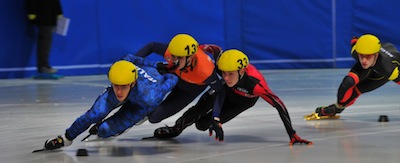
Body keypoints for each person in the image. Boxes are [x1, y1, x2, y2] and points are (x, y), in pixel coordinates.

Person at [153, 49, 312, 145]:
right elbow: (208, 49)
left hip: (242, 101)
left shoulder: (255, 85)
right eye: (223, 73)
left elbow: (279, 105)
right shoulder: (224, 70)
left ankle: (207, 122)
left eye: (230, 74)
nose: (226, 77)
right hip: (227, 92)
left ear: (241, 72)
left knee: (202, 125)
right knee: (197, 110)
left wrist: (292, 134)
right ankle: (175, 129)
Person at [43, 55, 178, 150]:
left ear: (132, 83)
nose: (119, 91)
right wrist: (67, 137)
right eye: (116, 86)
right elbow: (130, 57)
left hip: (141, 105)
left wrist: (163, 69)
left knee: (104, 131)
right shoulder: (122, 68)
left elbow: (172, 78)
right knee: (93, 115)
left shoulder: (151, 95)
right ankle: (65, 139)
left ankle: (120, 123)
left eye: (123, 87)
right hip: (137, 90)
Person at [134, 34, 226, 132]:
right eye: (173, 56)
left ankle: (147, 109)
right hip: (174, 75)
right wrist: (130, 63)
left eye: (179, 58)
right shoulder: (171, 54)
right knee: (147, 76)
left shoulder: (205, 71)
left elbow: (220, 91)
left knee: (154, 117)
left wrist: (215, 116)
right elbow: (151, 46)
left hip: (190, 89)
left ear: (190, 58)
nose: (174, 60)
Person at [305, 34, 400, 119]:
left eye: (368, 56)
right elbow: (354, 39)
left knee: (356, 91)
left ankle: (336, 109)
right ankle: (339, 106)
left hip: (382, 73)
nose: (364, 60)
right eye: (361, 55)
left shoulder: (390, 69)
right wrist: (340, 105)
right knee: (348, 82)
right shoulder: (355, 50)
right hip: (374, 61)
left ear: (376, 55)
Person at [26, 0, 63, 74]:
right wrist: (31, 12)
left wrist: (59, 12)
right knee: (45, 39)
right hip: (42, 14)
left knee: (47, 39)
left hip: (51, 15)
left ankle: (44, 65)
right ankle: (43, 66)